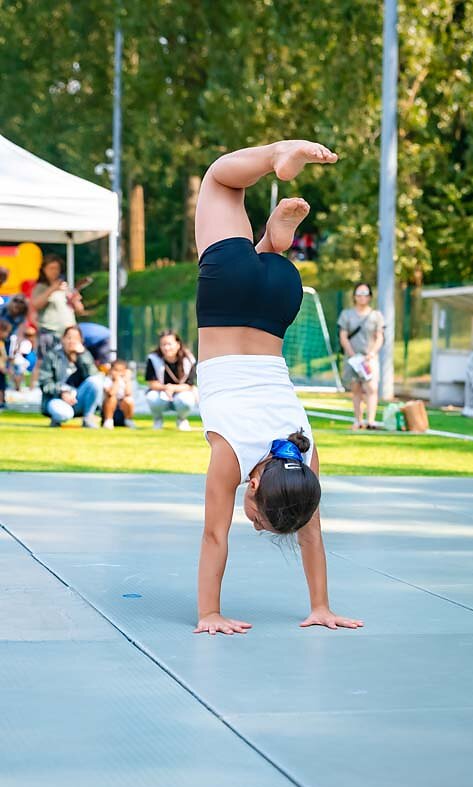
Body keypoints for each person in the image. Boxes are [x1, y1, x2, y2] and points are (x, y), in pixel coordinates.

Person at [193, 139, 364, 636]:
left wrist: (322, 605)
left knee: (251, 243)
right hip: (227, 295)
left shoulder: (301, 453)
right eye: (259, 519)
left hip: (279, 298)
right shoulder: (230, 456)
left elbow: (311, 530)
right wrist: (208, 614)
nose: (253, 523)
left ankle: (273, 243)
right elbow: (214, 536)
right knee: (219, 178)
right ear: (253, 486)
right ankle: (277, 157)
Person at [338, 283, 385, 430]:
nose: (362, 297)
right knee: (356, 388)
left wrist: (371, 354)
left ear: (370, 296)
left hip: (369, 358)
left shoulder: (376, 315)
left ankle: (371, 421)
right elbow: (343, 336)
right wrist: (352, 354)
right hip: (353, 359)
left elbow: (379, 337)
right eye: (359, 293)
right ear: (354, 296)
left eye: (365, 293)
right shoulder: (346, 314)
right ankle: (358, 420)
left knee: (371, 388)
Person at [39, 325, 103, 428]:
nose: (72, 341)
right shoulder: (51, 356)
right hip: (57, 399)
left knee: (96, 381)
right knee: (64, 414)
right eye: (69, 337)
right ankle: (56, 418)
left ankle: (88, 418)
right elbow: (45, 383)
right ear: (62, 339)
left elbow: (94, 377)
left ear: (81, 341)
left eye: (75, 338)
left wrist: (82, 355)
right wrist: (62, 392)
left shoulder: (85, 355)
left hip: (78, 399)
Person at [31, 254, 84, 358]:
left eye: (57, 268)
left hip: (69, 334)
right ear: (44, 270)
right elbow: (35, 305)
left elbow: (80, 310)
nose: (54, 271)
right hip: (50, 333)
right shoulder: (41, 287)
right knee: (49, 363)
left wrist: (75, 300)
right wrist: (52, 289)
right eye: (51, 268)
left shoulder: (65, 287)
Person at [145, 330, 197, 431]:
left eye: (169, 344)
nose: (166, 348)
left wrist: (173, 388)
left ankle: (182, 420)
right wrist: (166, 388)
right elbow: (152, 383)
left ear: (178, 344)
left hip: (181, 393)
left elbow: (189, 384)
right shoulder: (153, 358)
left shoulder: (188, 359)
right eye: (163, 345)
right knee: (152, 397)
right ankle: (157, 420)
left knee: (186, 400)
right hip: (161, 393)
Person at [102, 359, 136, 429]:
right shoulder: (107, 380)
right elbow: (111, 393)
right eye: (115, 370)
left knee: (129, 400)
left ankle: (128, 420)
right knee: (112, 398)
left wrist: (127, 380)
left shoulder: (126, 381)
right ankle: (108, 421)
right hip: (110, 410)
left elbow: (128, 393)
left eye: (120, 371)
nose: (118, 373)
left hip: (122, 410)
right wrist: (116, 380)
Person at [0, 318, 12, 408]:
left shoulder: (3, 343)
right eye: (6, 332)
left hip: (2, 367)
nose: (7, 334)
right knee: (1, 386)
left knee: (3, 385)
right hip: (1, 368)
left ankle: (3, 400)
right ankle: (1, 401)